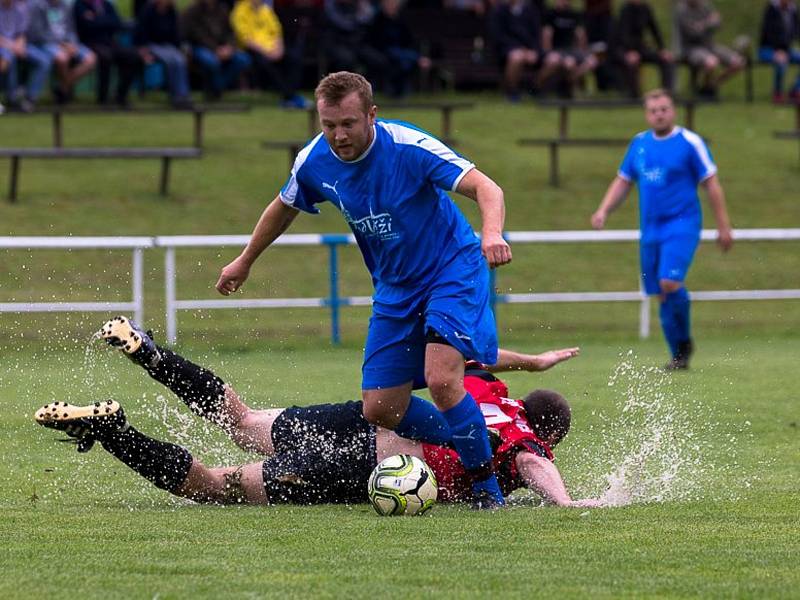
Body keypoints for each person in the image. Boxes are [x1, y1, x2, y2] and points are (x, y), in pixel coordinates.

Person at [215, 71, 513, 509]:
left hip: (453, 269)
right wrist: (245, 260)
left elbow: (486, 186)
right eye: (329, 125)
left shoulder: (408, 147)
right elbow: (283, 207)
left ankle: (488, 491)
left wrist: (492, 234)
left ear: (371, 115)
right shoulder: (314, 160)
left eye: (349, 124)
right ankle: (471, 437)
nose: (338, 135)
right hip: (395, 288)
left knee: (441, 380)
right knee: (380, 408)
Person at [34, 315, 599, 508]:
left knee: (244, 421)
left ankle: (152, 354)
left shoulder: (493, 394)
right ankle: (111, 431)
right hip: (360, 465)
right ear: (547, 433)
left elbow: (466, 352)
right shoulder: (527, 442)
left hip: (367, 416)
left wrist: (532, 360)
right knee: (215, 485)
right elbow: (532, 466)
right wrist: (568, 501)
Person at [591, 89, 733, 370]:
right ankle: (678, 353)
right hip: (650, 229)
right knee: (660, 291)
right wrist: (603, 210)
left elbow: (712, 183)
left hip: (682, 224)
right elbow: (623, 181)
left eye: (664, 109)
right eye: (654, 110)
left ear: (673, 111)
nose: (659, 114)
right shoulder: (639, 144)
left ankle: (684, 342)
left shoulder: (689, 142)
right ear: (647, 114)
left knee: (670, 282)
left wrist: (723, 226)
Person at [230, 0, 309, 108]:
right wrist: (265, 52)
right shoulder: (240, 11)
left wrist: (279, 48)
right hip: (253, 49)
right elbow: (244, 38)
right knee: (266, 64)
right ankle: (290, 96)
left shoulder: (266, 10)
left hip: (273, 48)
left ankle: (289, 96)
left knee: (294, 58)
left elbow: (277, 30)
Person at [73, 0, 143, 107]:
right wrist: (105, 21)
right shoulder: (80, 5)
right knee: (105, 57)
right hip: (89, 42)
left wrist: (96, 19)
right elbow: (86, 26)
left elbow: (117, 23)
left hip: (110, 42)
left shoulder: (107, 4)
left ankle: (120, 96)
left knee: (134, 56)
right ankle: (103, 98)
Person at [27, 0, 97, 104]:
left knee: (91, 59)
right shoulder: (38, 6)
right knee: (62, 58)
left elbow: (71, 30)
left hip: (67, 43)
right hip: (46, 43)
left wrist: (72, 44)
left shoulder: (65, 6)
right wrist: (60, 44)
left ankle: (62, 87)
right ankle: (62, 93)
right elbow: (37, 33)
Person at [182, 0, 251, 100]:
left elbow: (231, 32)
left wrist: (229, 47)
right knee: (211, 61)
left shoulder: (223, 9)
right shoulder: (193, 11)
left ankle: (217, 87)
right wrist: (215, 49)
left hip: (223, 48)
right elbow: (196, 35)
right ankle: (215, 89)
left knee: (244, 59)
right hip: (200, 47)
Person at [678, 0, 745, 99]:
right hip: (691, 48)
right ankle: (706, 92)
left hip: (710, 45)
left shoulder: (706, 5)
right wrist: (708, 22)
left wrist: (703, 25)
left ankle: (710, 87)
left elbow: (718, 23)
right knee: (711, 62)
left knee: (739, 62)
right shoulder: (681, 10)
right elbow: (693, 32)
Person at [365, 0, 432, 99]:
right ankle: (397, 89)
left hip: (401, 53)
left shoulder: (400, 21)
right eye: (389, 4)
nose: (391, 6)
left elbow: (408, 41)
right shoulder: (377, 21)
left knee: (405, 63)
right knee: (402, 61)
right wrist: (416, 57)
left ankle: (398, 90)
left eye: (394, 4)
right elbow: (379, 43)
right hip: (383, 52)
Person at [134, 0, 193, 108]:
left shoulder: (172, 12)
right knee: (171, 61)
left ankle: (183, 95)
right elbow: (141, 33)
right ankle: (176, 96)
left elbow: (176, 35)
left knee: (180, 60)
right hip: (151, 45)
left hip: (168, 46)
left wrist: (181, 49)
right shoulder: (148, 10)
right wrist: (143, 51)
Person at [614, 0, 674, 98]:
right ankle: (634, 96)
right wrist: (630, 51)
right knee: (632, 62)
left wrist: (662, 49)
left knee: (666, 60)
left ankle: (666, 94)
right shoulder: (625, 10)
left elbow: (654, 29)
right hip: (623, 48)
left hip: (641, 48)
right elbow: (622, 34)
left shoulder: (646, 9)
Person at [489, 0, 545, 102]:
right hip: (507, 49)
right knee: (517, 57)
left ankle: (535, 88)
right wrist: (520, 49)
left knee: (554, 59)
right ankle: (512, 91)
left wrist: (534, 50)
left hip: (530, 50)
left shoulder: (530, 9)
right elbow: (498, 36)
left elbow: (537, 34)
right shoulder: (498, 10)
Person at [0, 0, 51, 112]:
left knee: (44, 61)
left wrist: (19, 45)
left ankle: (30, 98)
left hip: (18, 45)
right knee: (8, 57)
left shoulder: (19, 9)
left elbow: (22, 33)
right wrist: (12, 46)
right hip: (4, 46)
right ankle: (12, 98)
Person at [542, 0, 598, 97]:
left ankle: (570, 81)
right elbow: (547, 35)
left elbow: (581, 35)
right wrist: (548, 52)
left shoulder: (575, 14)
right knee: (569, 63)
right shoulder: (550, 14)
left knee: (592, 61)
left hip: (572, 49)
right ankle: (569, 89)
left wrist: (582, 51)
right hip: (558, 49)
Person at [758, 0, 800, 103]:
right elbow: (767, 32)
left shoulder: (793, 10)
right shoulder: (771, 9)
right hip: (767, 49)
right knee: (781, 62)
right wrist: (778, 52)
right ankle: (778, 94)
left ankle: (795, 91)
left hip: (786, 50)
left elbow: (796, 30)